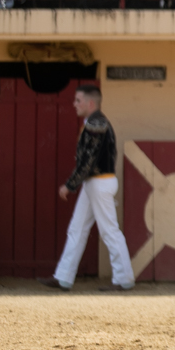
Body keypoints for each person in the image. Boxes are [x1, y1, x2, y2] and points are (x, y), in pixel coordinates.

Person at [37, 85, 135, 292]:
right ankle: (63, 277)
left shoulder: (96, 124)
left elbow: (88, 159)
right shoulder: (94, 122)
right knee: (77, 228)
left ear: (90, 103)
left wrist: (70, 184)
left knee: (109, 230)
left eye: (78, 100)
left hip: (99, 182)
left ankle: (124, 278)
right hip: (95, 183)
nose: (74, 104)